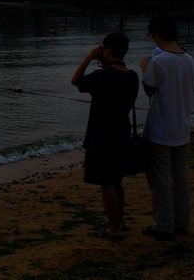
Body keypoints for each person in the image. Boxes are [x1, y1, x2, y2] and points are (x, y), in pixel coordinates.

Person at [71, 32, 139, 240]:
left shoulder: (104, 76)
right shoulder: (132, 76)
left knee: (106, 182)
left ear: (107, 50)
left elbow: (76, 80)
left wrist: (89, 58)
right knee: (116, 180)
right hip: (121, 133)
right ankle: (119, 221)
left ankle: (114, 229)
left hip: (102, 136)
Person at [139, 15, 194, 241]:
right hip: (182, 126)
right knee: (180, 176)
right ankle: (181, 221)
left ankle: (163, 223)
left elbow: (150, 90)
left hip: (162, 128)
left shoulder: (160, 61)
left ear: (157, 35)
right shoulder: (188, 59)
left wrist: (144, 69)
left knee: (160, 178)